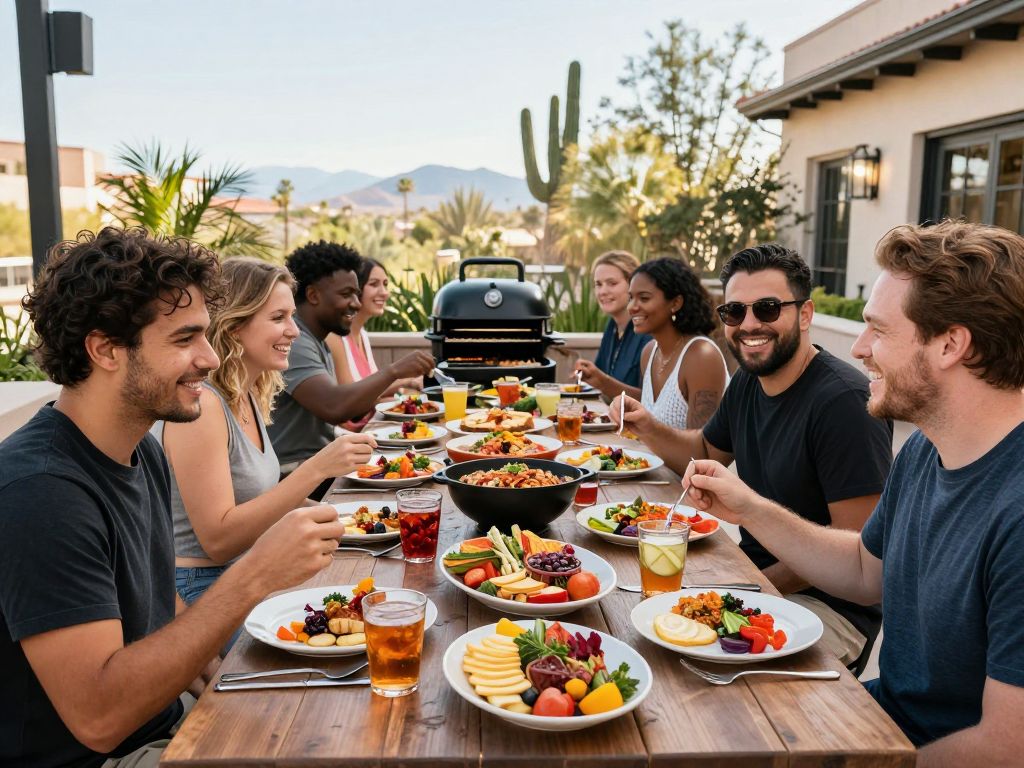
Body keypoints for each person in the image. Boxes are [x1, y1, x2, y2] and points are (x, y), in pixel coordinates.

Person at [0, 228, 345, 767]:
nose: (210, 358)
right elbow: (99, 719)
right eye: (186, 339)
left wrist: (222, 683)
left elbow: (163, 607)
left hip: (164, 723)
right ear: (104, 349)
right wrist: (254, 575)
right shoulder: (41, 493)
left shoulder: (142, 450)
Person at [682, 222, 1024, 762]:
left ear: (951, 344)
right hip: (884, 717)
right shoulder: (926, 449)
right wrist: (749, 507)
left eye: (878, 331)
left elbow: (1006, 749)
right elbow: (866, 570)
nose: (860, 349)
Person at [612, 244, 892, 668]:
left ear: (805, 314)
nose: (749, 325)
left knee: (686, 665)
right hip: (756, 582)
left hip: (829, 608)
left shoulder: (844, 402)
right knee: (634, 626)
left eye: (767, 308)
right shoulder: (748, 381)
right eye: (734, 312)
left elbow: (857, 551)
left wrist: (742, 588)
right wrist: (646, 424)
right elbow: (704, 451)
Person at [155, 258, 376, 611]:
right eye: (278, 318)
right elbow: (219, 541)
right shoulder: (203, 406)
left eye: (292, 317)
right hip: (201, 589)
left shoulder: (247, 392)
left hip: (246, 572)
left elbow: (260, 500)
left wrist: (354, 518)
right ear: (234, 326)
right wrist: (317, 469)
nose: (294, 331)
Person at [267, 241, 434, 479]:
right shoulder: (297, 342)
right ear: (313, 295)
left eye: (357, 293)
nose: (356, 303)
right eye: (347, 294)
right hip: (293, 473)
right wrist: (395, 371)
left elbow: (351, 411)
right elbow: (334, 407)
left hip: (316, 464)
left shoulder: (318, 340)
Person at [630, 257, 728, 430]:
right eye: (631, 298)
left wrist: (648, 429)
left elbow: (702, 443)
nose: (632, 307)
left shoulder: (701, 356)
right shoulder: (649, 353)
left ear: (675, 303)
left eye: (644, 298)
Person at [574, 251, 651, 399]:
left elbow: (650, 401)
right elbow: (600, 376)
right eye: (598, 284)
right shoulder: (612, 326)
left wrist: (603, 382)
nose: (603, 291)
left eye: (612, 283)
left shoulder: (648, 333)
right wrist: (589, 374)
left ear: (633, 285)